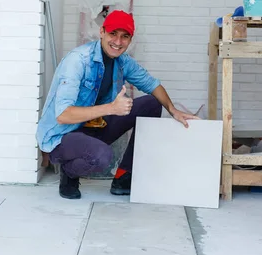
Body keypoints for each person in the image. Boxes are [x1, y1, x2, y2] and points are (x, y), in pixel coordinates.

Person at [36, 10, 199, 199]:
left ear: (131, 39)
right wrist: (112, 108)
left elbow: (152, 84)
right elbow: (63, 115)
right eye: (113, 34)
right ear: (102, 32)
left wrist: (173, 110)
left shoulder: (123, 62)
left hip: (93, 127)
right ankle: (70, 171)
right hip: (62, 136)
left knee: (152, 104)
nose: (118, 42)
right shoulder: (78, 61)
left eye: (125, 36)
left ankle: (123, 176)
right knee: (102, 157)